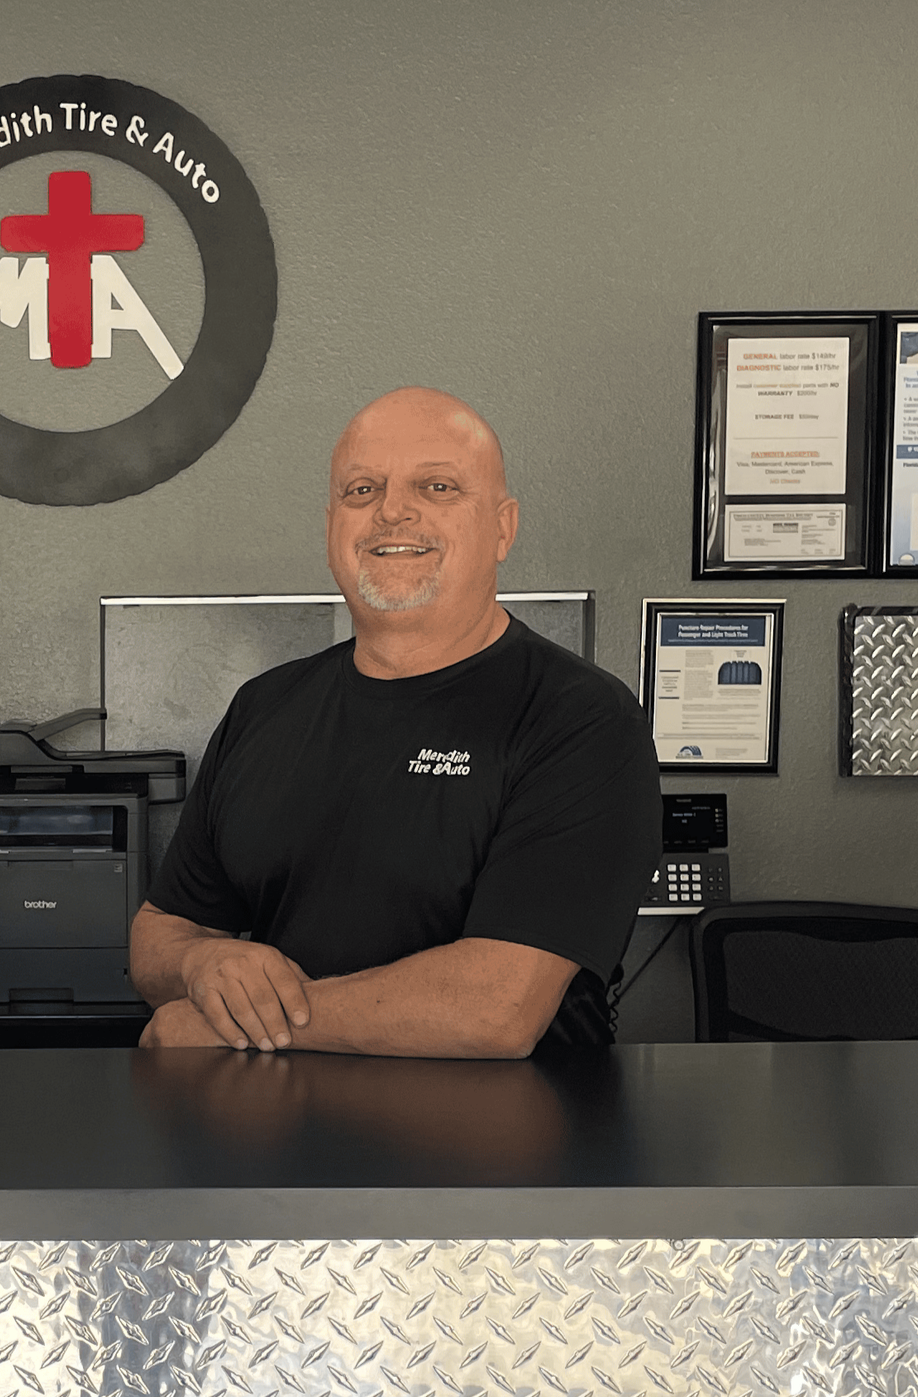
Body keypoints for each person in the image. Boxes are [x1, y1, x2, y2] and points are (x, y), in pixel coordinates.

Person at [131, 386, 658, 1058]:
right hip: (281, 1153)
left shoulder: (580, 719)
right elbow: (161, 931)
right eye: (360, 491)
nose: (392, 512)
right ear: (330, 528)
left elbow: (496, 1008)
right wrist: (199, 966)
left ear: (503, 527)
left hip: (505, 1157)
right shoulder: (264, 708)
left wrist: (221, 1025)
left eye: (438, 486)